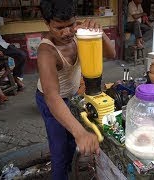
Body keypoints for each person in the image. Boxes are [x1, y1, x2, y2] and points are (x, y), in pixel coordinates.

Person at [36, 0, 116, 179]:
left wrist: (99, 32)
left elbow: (112, 54)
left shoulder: (80, 34)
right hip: (51, 101)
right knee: (59, 151)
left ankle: (71, 172)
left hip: (72, 97)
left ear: (76, 20)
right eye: (58, 28)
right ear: (47, 23)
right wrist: (81, 132)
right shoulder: (46, 52)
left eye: (70, 25)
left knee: (72, 144)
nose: (66, 33)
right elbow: (52, 96)